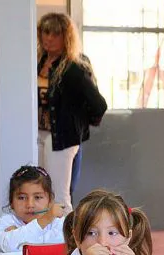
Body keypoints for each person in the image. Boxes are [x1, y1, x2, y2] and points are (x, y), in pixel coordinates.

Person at [37, 12, 107, 212]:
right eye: (45, 32)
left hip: (61, 138)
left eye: (55, 34)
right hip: (37, 134)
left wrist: (78, 124)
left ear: (66, 37)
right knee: (39, 191)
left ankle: (67, 240)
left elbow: (98, 104)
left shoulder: (74, 66)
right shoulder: (37, 62)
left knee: (59, 197)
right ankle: (43, 239)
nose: (49, 38)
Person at [0, 165, 66, 252]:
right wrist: (45, 220)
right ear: (11, 202)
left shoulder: (57, 221)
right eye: (22, 198)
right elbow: (8, 247)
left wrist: (19, 237)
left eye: (38, 197)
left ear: (50, 200)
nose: (30, 205)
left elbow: (58, 246)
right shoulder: (6, 221)